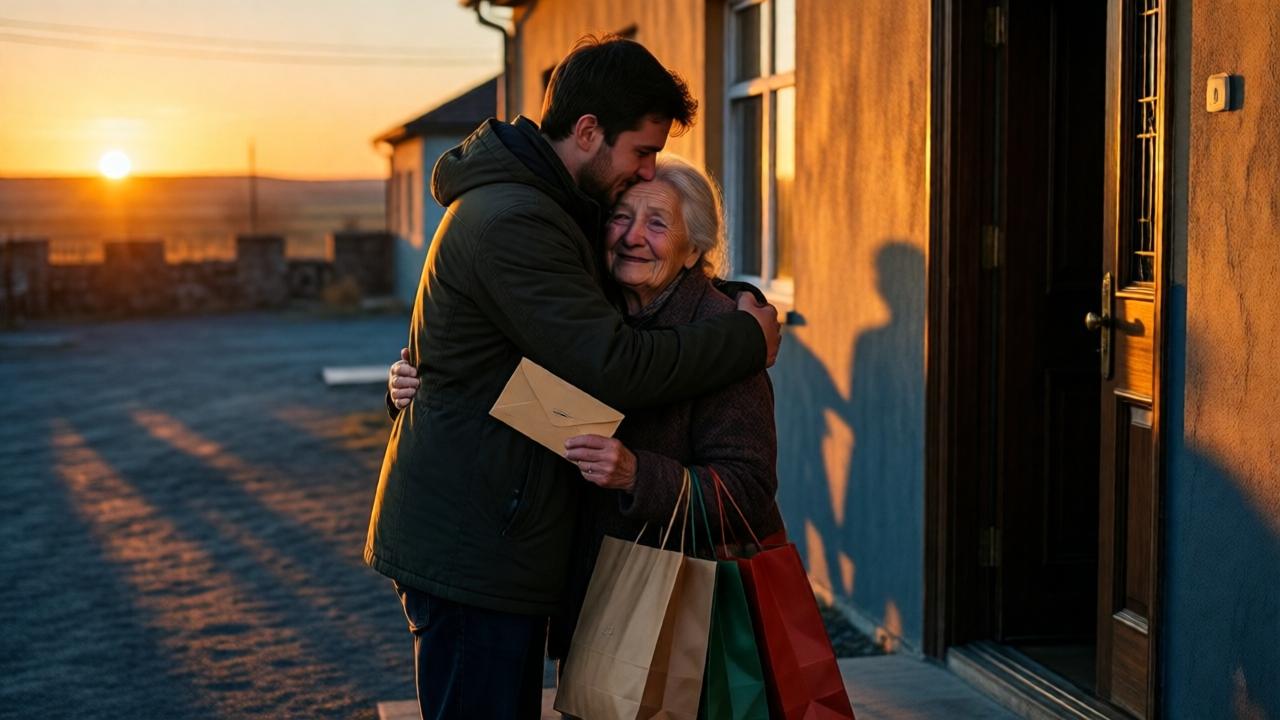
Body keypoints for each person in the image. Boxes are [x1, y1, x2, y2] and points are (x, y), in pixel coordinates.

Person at [366, 36, 781, 720]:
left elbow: (513, 374)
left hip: (556, 569)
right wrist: (743, 336)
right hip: (480, 552)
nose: (643, 176)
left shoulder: (553, 210)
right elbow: (608, 367)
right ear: (589, 132)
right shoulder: (520, 220)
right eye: (641, 153)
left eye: (657, 220)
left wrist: (730, 305)